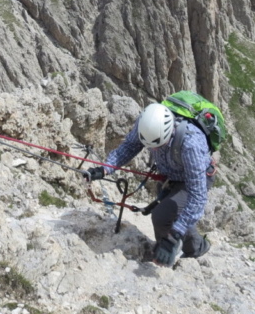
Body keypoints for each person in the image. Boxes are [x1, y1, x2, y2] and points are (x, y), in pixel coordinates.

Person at [85, 102, 213, 266]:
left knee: (162, 216)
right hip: (170, 176)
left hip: (195, 180)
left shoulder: (190, 144)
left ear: (169, 133)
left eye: (159, 145)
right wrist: (104, 170)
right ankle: (192, 248)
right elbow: (130, 147)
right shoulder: (145, 124)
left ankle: (164, 259)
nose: (155, 150)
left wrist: (174, 236)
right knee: (173, 213)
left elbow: (198, 197)